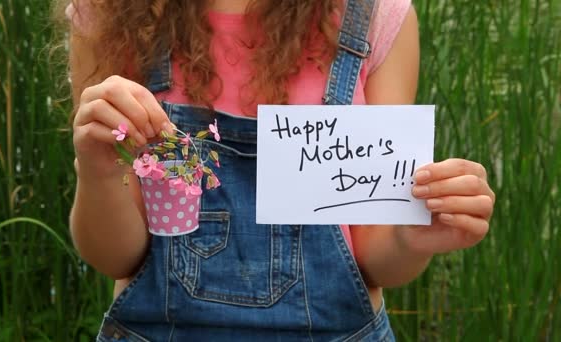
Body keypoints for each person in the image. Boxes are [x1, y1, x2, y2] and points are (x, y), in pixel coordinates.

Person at [64, 0, 495, 340]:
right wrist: (98, 170)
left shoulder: (375, 16)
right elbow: (114, 257)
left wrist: (412, 234)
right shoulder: (114, 14)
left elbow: (379, 260)